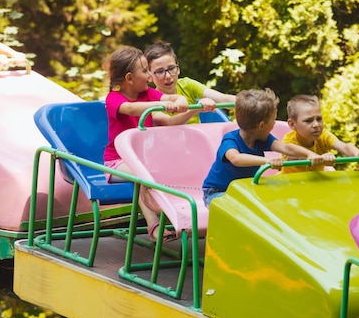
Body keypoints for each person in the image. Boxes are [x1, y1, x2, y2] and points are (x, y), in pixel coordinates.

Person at [103, 45, 194, 242]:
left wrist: (179, 99)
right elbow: (131, 109)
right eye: (145, 71)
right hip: (117, 162)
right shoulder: (114, 98)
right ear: (129, 78)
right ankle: (157, 225)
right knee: (146, 176)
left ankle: (182, 217)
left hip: (144, 161)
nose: (149, 76)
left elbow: (169, 97)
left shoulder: (148, 94)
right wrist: (161, 104)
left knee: (162, 172)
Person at [202, 88, 325, 207]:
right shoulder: (230, 139)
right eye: (273, 120)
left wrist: (310, 154)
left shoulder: (263, 138)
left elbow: (286, 148)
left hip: (244, 190)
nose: (275, 123)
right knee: (239, 209)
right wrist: (267, 161)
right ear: (262, 125)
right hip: (217, 192)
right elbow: (236, 158)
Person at [144, 40, 236, 124]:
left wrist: (247, 100)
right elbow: (169, 122)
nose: (167, 76)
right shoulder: (150, 99)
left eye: (171, 68)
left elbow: (224, 99)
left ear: (178, 68)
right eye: (160, 72)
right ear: (149, 76)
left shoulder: (187, 85)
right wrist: (197, 108)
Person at [280, 94, 359, 174]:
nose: (316, 124)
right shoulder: (289, 141)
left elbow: (344, 147)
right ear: (292, 124)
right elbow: (295, 157)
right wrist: (320, 158)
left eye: (319, 119)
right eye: (308, 121)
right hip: (290, 184)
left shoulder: (323, 135)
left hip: (314, 184)